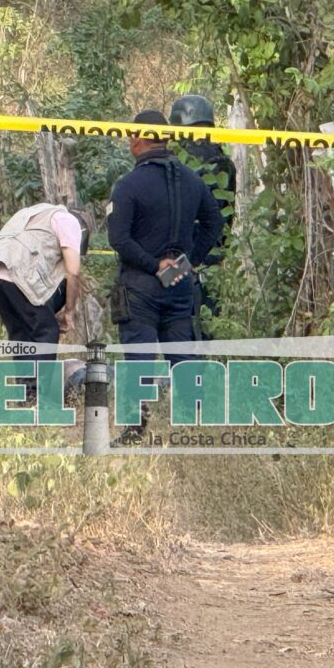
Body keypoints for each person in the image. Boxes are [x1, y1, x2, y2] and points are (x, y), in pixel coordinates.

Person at [108, 110, 224, 442]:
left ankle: (135, 431)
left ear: (136, 140)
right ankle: (191, 429)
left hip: (140, 287)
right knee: (183, 356)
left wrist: (151, 265)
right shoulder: (192, 179)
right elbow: (214, 223)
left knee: (138, 359)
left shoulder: (128, 185)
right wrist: (185, 264)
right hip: (179, 284)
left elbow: (119, 240)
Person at [0, 202, 90, 397]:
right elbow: (73, 272)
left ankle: (26, 395)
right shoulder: (69, 221)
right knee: (46, 330)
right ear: (83, 228)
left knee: (21, 334)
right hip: (17, 271)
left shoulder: (34, 212)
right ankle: (39, 397)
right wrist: (69, 311)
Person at [169, 94, 237, 336]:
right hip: (213, 256)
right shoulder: (225, 161)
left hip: (178, 259)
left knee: (175, 323)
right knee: (207, 322)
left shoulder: (177, 162)